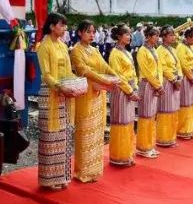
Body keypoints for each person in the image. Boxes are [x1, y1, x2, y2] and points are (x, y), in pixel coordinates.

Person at [69, 21, 118, 183]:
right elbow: (84, 71)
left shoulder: (95, 50)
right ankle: (82, 171)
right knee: (84, 131)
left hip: (98, 94)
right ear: (79, 33)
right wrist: (105, 79)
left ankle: (94, 170)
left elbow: (105, 66)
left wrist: (117, 78)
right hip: (85, 94)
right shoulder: (76, 51)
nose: (92, 35)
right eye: (88, 32)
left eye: (93, 32)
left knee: (97, 132)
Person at [35, 13, 78, 190]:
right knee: (51, 137)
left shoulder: (62, 45)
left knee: (64, 135)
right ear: (52, 26)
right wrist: (60, 87)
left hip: (64, 94)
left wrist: (76, 83)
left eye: (65, 25)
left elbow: (68, 70)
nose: (65, 28)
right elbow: (46, 75)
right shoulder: (43, 46)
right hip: (51, 93)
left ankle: (62, 176)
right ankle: (49, 179)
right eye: (62, 25)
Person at [107, 25, 139, 166]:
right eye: (126, 34)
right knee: (121, 122)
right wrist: (130, 91)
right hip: (121, 91)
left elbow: (132, 71)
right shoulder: (115, 53)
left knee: (129, 122)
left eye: (130, 34)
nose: (129, 36)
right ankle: (118, 156)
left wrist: (135, 87)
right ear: (119, 36)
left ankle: (127, 154)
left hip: (129, 90)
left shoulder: (126, 52)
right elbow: (117, 76)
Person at [136, 26, 163, 158]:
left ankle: (150, 144)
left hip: (154, 84)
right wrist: (157, 85)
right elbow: (146, 71)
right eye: (155, 35)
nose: (158, 38)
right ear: (148, 36)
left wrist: (159, 84)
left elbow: (159, 68)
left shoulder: (154, 50)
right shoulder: (142, 51)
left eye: (158, 35)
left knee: (152, 116)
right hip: (147, 84)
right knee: (145, 115)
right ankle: (143, 147)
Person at [155, 26, 181, 148]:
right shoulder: (160, 50)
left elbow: (178, 64)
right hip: (167, 81)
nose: (173, 37)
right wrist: (174, 79)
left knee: (174, 109)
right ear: (164, 37)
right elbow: (163, 68)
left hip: (175, 81)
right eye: (171, 35)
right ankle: (163, 138)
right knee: (165, 109)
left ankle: (171, 137)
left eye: (174, 35)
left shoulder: (173, 49)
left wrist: (179, 77)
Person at [176, 28, 193, 139]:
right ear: (189, 37)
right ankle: (182, 129)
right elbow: (183, 65)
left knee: (191, 103)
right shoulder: (181, 48)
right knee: (185, 103)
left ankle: (189, 129)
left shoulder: (191, 47)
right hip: (186, 78)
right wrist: (191, 77)